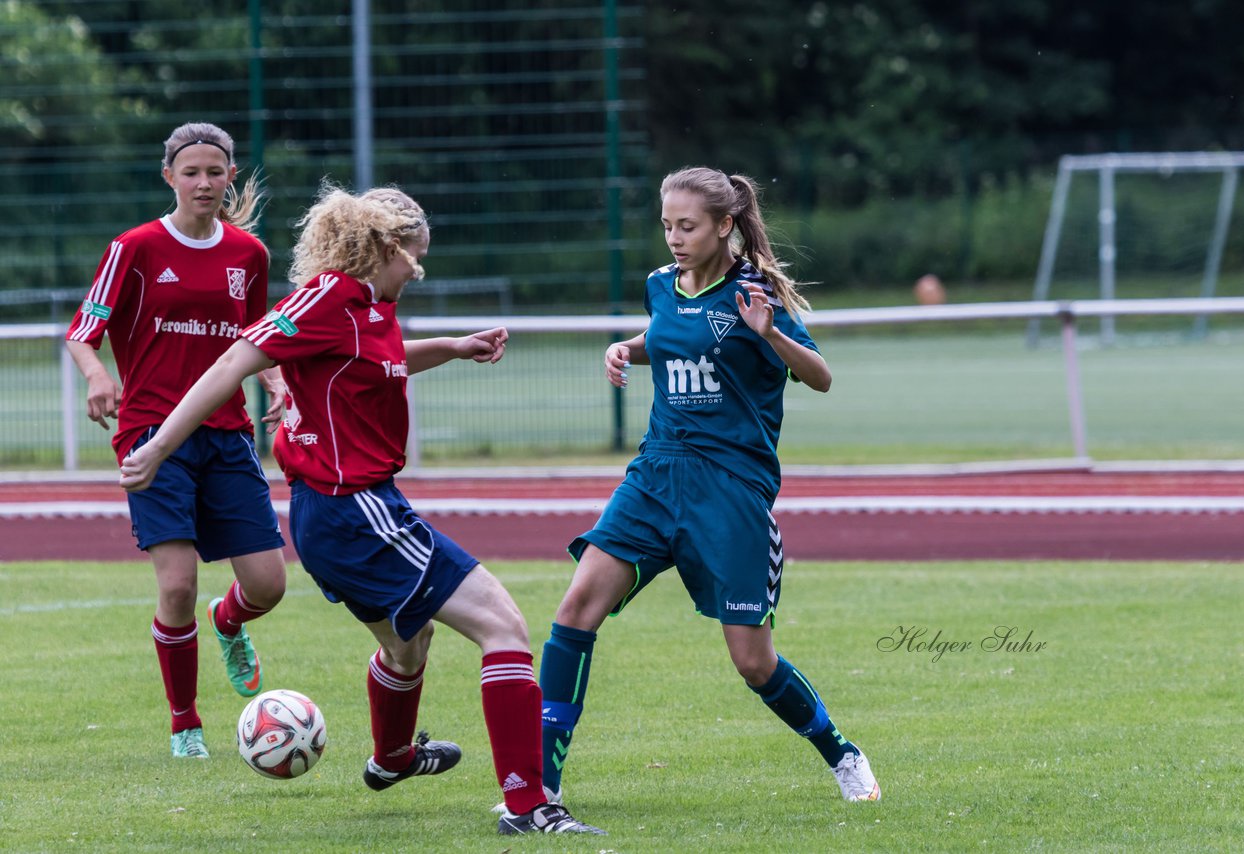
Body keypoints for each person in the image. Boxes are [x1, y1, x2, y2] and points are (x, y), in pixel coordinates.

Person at [119, 184, 605, 836]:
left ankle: (394, 759)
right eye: (414, 257)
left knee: (408, 646)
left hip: (348, 514)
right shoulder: (328, 296)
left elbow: (379, 362)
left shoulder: (372, 308)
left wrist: (452, 348)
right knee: (504, 626)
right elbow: (235, 358)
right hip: (355, 510)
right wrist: (158, 447)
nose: (417, 270)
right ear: (382, 246)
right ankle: (530, 807)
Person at [536, 167, 881, 805]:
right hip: (656, 474)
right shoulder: (659, 287)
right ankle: (539, 790)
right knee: (576, 609)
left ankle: (841, 754)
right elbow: (673, 338)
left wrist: (770, 333)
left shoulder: (755, 293)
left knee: (753, 662)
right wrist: (627, 348)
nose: (673, 236)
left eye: (687, 226)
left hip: (730, 492)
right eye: (666, 224)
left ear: (724, 225)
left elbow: (822, 376)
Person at [65, 122, 288, 760]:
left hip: (225, 435)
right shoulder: (133, 247)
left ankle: (230, 621)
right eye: (191, 172)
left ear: (229, 178)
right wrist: (99, 374)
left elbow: (257, 339)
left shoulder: (249, 254)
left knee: (269, 585)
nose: (203, 183)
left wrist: (276, 381)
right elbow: (84, 331)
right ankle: (185, 722)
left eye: (215, 172)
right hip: (151, 433)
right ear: (169, 177)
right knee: (176, 584)